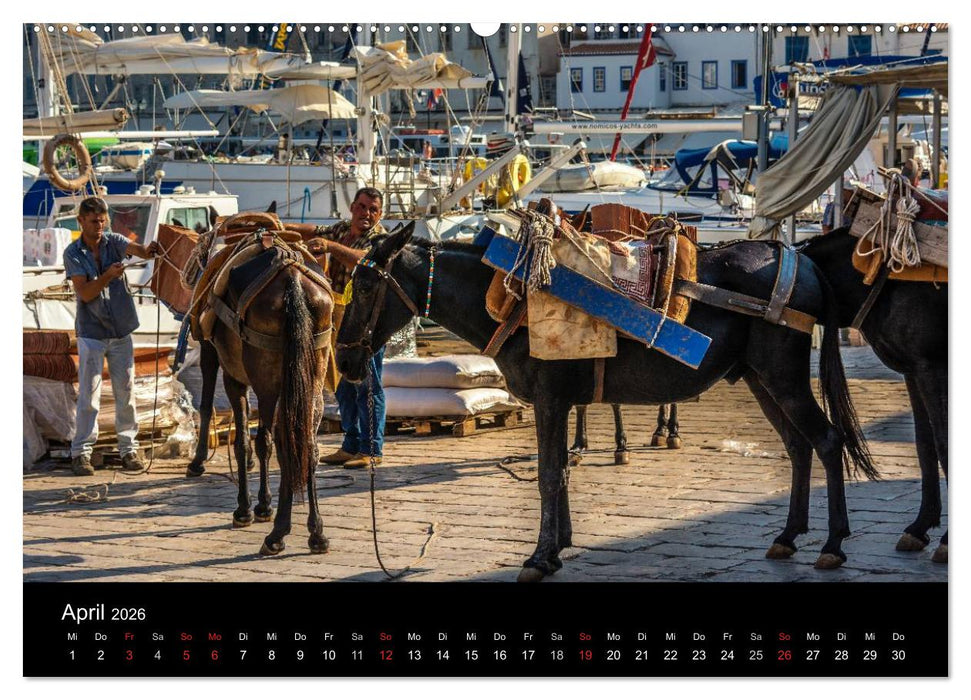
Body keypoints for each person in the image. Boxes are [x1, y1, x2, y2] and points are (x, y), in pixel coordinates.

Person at [63, 197, 159, 476]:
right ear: (81, 221)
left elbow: (139, 250)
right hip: (92, 332)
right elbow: (86, 293)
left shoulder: (113, 240)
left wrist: (150, 250)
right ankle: (81, 453)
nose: (100, 225)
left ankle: (129, 449)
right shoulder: (73, 253)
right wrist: (107, 277)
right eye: (94, 221)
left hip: (120, 330)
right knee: (89, 396)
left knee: (125, 393)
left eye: (103, 219)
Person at [305, 187, 388, 470]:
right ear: (352, 207)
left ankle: (371, 449)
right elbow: (313, 230)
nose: (367, 214)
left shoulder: (380, 238)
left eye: (373, 210)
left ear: (380, 214)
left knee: (367, 383)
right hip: (340, 318)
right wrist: (276, 225)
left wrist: (329, 247)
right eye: (363, 207)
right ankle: (351, 444)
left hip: (366, 322)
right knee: (343, 386)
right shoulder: (341, 229)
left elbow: (364, 259)